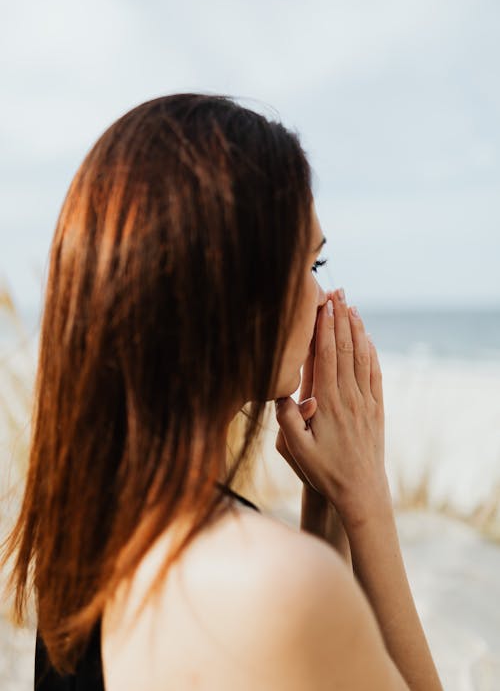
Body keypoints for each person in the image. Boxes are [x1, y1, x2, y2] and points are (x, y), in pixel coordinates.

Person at [1, 93, 443, 690]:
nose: (327, 301)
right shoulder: (271, 587)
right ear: (233, 293)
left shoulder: (84, 537)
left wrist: (331, 504)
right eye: (311, 267)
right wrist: (368, 502)